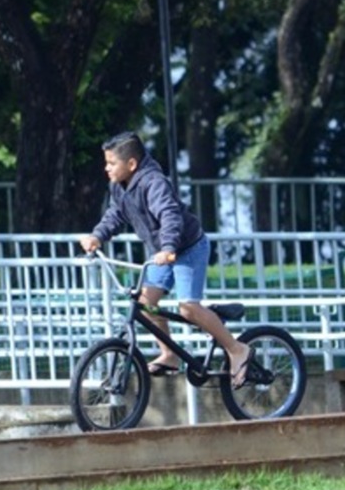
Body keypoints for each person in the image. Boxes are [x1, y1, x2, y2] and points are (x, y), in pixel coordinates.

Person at [79, 131, 254, 387]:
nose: (106, 168)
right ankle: (170, 355)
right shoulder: (118, 186)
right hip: (162, 252)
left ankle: (238, 350)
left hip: (187, 247)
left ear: (131, 164)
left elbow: (170, 215)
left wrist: (169, 247)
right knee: (146, 303)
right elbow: (116, 215)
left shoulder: (154, 182)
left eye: (111, 163)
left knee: (188, 308)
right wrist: (97, 236)